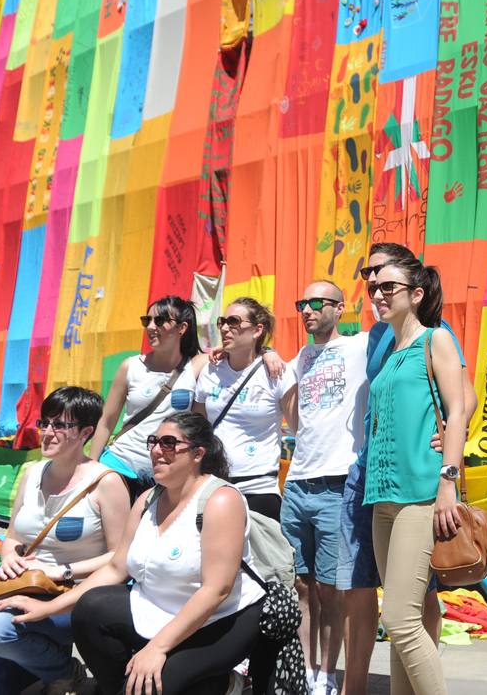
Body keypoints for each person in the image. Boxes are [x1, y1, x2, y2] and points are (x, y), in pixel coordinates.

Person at [0, 412, 275, 693]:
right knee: (90, 609)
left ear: (197, 453)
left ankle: (222, 683)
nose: (157, 450)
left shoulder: (221, 500)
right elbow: (116, 569)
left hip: (217, 621)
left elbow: (216, 589)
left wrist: (157, 648)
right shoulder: (147, 500)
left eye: (168, 443)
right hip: (157, 610)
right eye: (153, 442)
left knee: (150, 684)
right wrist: (47, 608)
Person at [337, 242, 475, 695]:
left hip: (421, 494)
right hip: (382, 499)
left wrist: (448, 481)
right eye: (373, 285)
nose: (377, 292)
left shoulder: (434, 337)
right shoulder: (389, 347)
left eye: (388, 285)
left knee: (399, 619)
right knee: (403, 623)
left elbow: (458, 408)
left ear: (416, 293)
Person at [0, 387, 130, 695]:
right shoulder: (32, 473)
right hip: (21, 589)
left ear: (86, 432)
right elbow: (12, 536)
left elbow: (120, 557)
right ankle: (45, 662)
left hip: (74, 598)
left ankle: (65, 672)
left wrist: (62, 571)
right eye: (45, 422)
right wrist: (8, 556)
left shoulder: (107, 483)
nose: (47, 432)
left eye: (60, 425)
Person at [282, 280, 370, 695]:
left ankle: (327, 675)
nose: (307, 310)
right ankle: (304, 669)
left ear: (340, 308)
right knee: (299, 584)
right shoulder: (300, 357)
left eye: (317, 303)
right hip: (297, 482)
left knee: (331, 587)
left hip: (338, 484)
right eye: (303, 303)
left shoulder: (361, 346)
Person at [89, 297, 208, 500]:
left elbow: (240, 353)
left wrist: (268, 353)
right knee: (114, 531)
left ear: (182, 328)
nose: (151, 327)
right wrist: (91, 468)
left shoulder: (197, 366)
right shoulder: (131, 366)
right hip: (119, 464)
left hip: (165, 474)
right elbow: (107, 421)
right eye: (147, 321)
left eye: (160, 321)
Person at [193, 297, 297, 520]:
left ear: (257, 329)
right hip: (213, 486)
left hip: (259, 489)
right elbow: (198, 430)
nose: (224, 327)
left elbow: (300, 430)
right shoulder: (210, 371)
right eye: (222, 321)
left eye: (234, 321)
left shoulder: (277, 372)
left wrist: (268, 351)